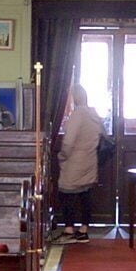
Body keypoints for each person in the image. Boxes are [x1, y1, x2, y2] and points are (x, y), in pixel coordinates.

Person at [54, 89, 106, 233]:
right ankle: (84, 228)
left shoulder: (77, 115)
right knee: (86, 194)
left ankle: (69, 228)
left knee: (67, 194)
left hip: (74, 162)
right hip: (90, 160)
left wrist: (62, 156)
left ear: (74, 99)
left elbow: (68, 142)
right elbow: (102, 135)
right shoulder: (94, 115)